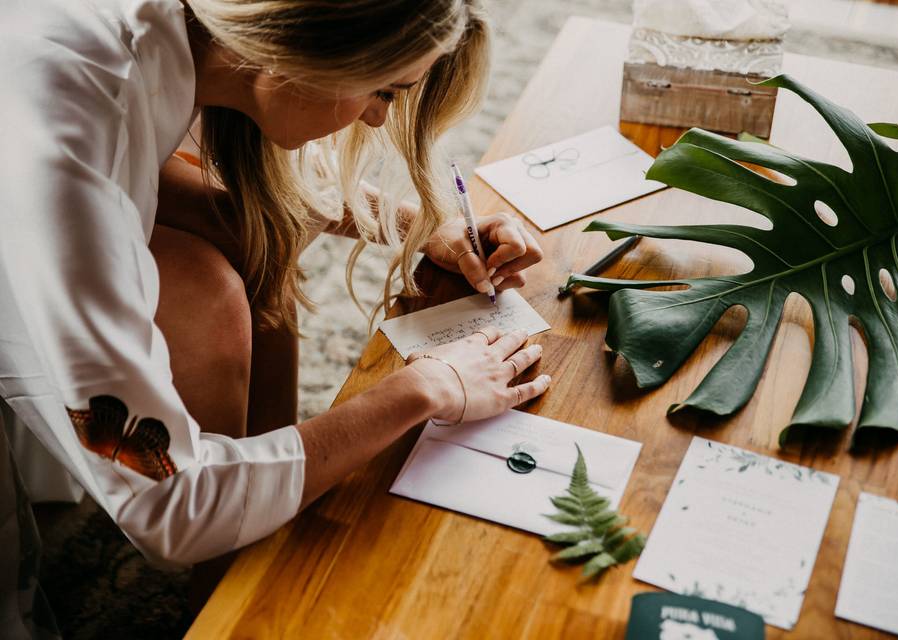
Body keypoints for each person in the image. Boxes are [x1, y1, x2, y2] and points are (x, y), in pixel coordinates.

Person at [0, 0, 551, 635]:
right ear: (300, 49)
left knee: (256, 247)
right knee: (212, 298)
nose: (378, 114)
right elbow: (170, 508)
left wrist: (420, 225)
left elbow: (179, 175)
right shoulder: (67, 149)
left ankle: (249, 569)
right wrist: (423, 387)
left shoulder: (183, 36)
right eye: (383, 90)